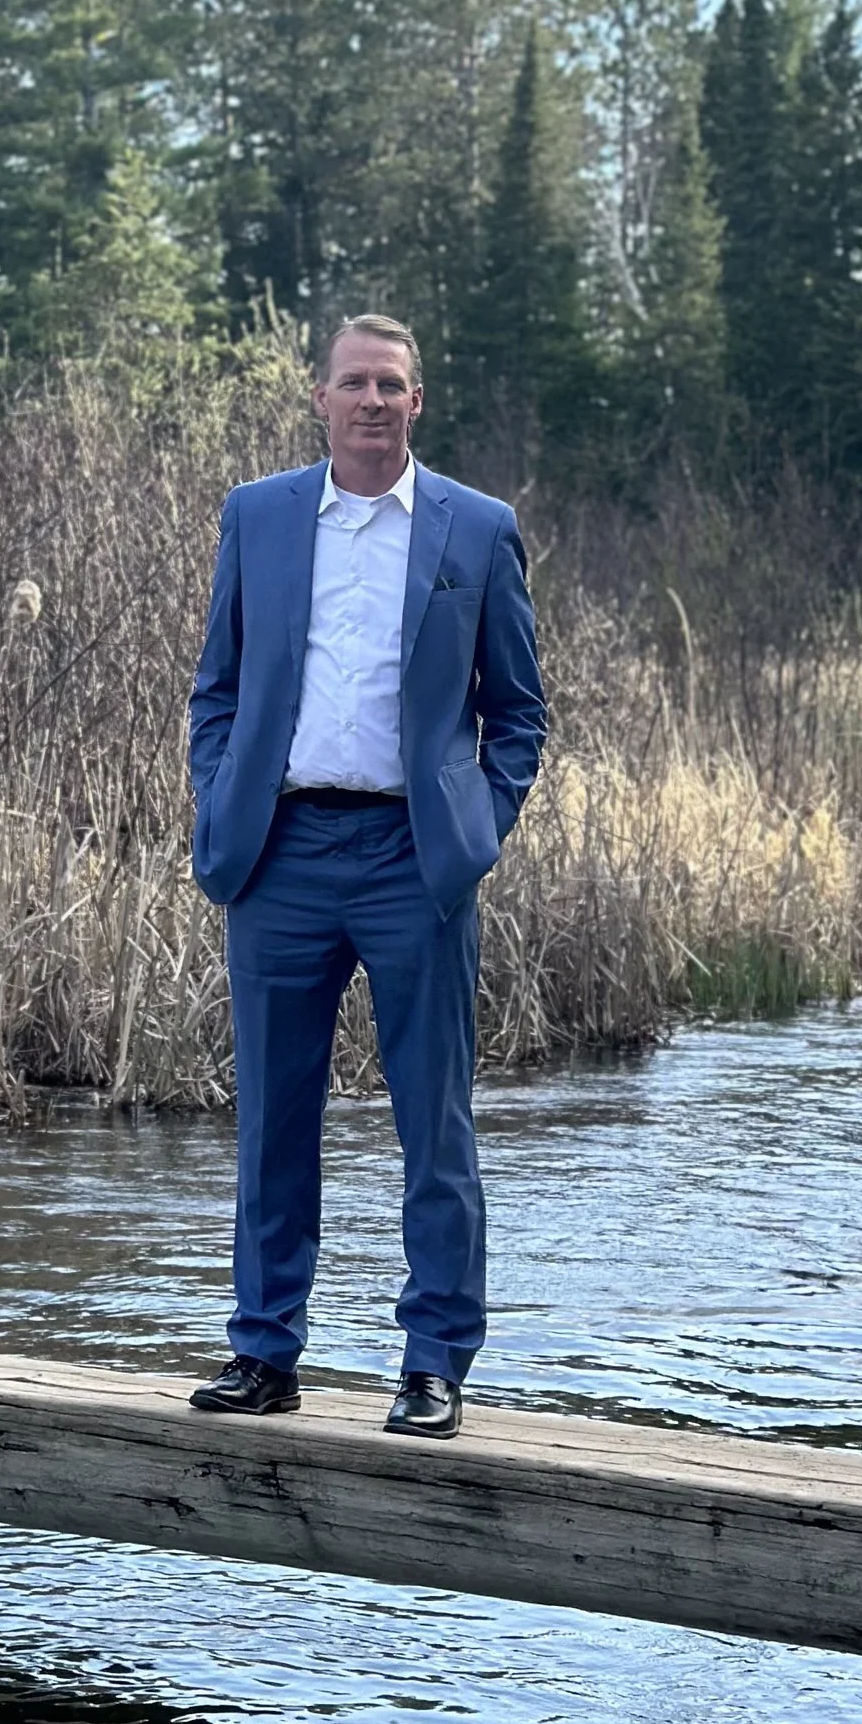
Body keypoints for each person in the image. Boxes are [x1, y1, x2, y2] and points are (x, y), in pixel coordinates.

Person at [184, 314, 546, 1438]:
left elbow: (519, 714)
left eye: (392, 384)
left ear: (416, 402)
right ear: (321, 398)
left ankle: (434, 1361)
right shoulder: (260, 515)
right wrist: (221, 798)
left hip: (412, 861)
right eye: (355, 383)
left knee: (433, 1126)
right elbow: (217, 690)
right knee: (270, 1122)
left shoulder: (475, 531)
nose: (373, 400)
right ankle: (263, 1353)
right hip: (279, 856)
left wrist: (471, 831)